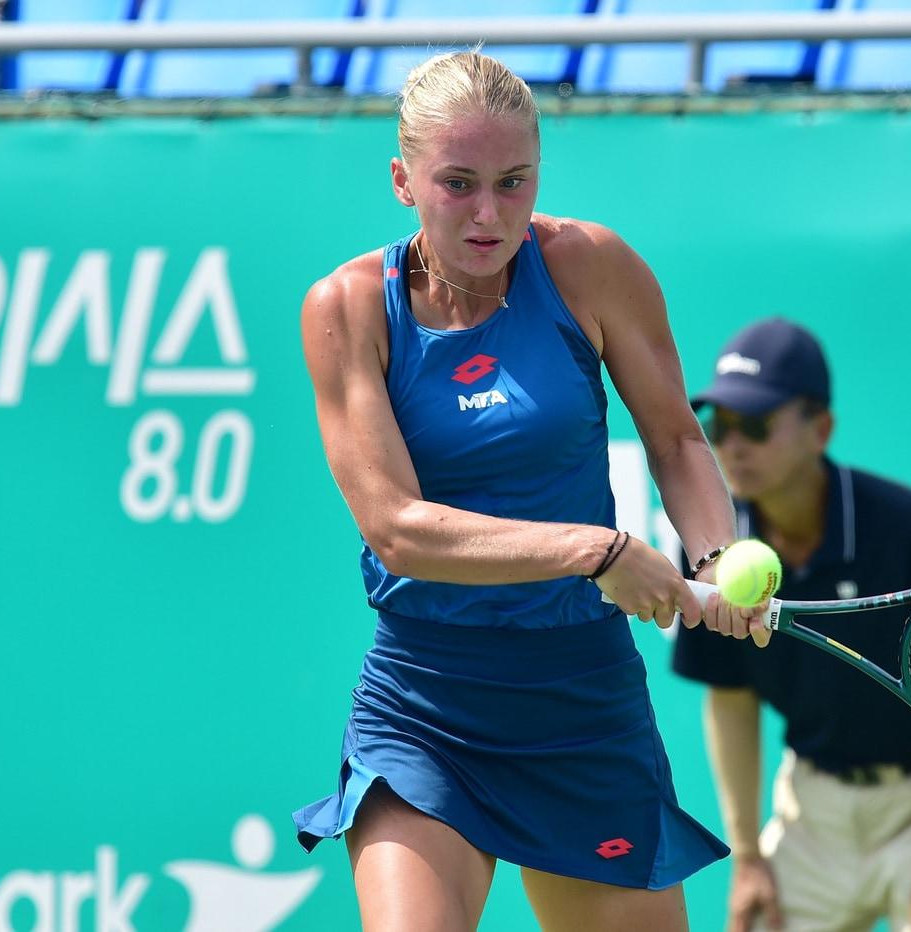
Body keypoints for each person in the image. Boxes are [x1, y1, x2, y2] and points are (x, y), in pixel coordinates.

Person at [290, 51, 771, 932]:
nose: (488, 213)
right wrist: (597, 551)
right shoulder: (348, 308)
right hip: (427, 702)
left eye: (513, 182)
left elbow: (674, 435)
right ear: (403, 181)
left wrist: (717, 553)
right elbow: (398, 530)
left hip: (581, 700)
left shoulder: (591, 265)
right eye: (458, 183)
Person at [671, 318, 911, 932]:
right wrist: (747, 859)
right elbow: (732, 703)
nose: (734, 444)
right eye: (721, 426)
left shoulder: (908, 529)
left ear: (820, 429)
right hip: (813, 810)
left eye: (758, 423)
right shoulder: (712, 549)